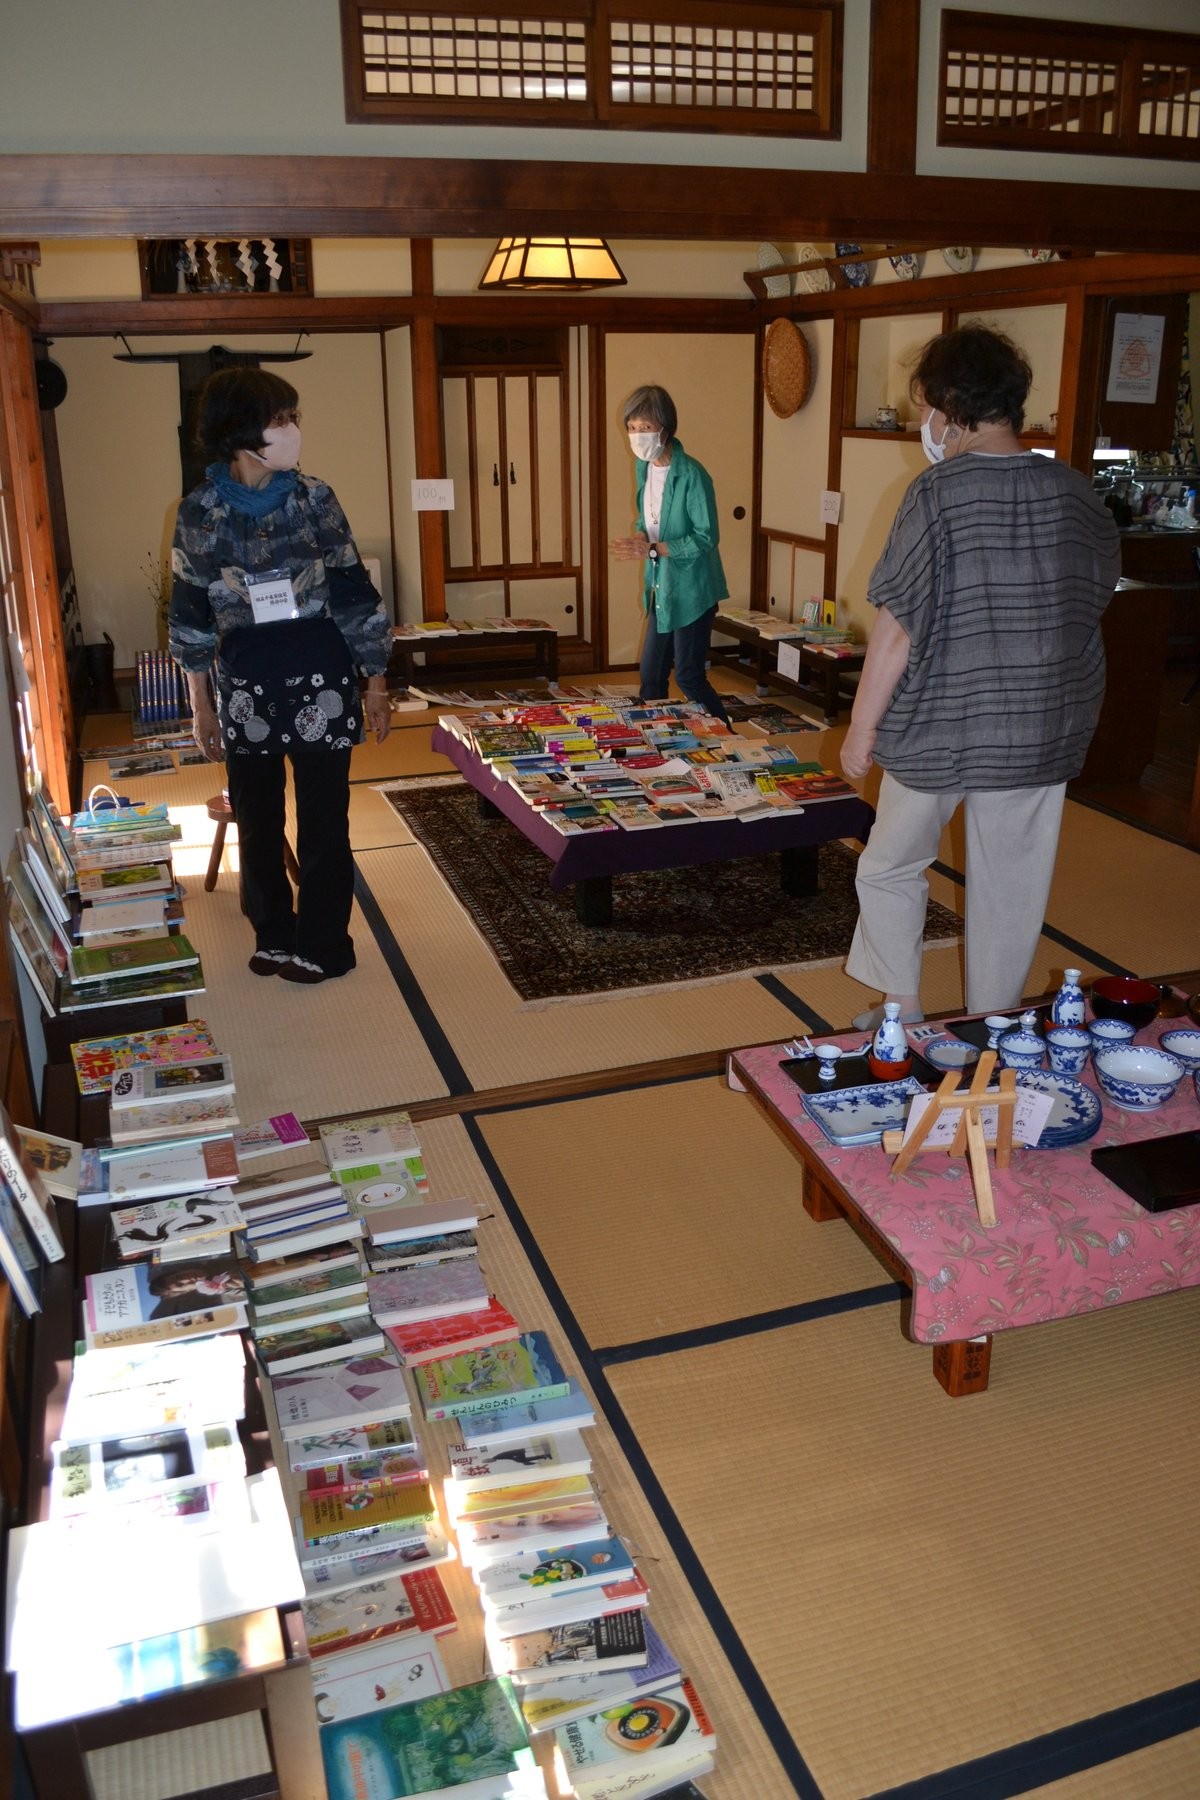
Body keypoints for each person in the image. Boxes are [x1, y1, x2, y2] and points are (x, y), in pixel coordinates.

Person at [839, 325, 1120, 1026]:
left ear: (952, 408)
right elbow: (1093, 598)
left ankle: (901, 1010)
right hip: (1039, 724)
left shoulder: (936, 494)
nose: (926, 423)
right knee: (1012, 882)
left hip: (939, 724)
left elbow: (897, 627)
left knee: (890, 863)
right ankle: (994, 1024)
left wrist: (861, 729)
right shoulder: (1076, 494)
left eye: (928, 406)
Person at [169, 368, 392, 984]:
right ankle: (272, 932)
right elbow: (189, 614)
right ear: (240, 429)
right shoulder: (200, 511)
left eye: (294, 418)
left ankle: (324, 942)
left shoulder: (315, 499)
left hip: (321, 674)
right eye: (279, 419)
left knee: (325, 820)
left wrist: (375, 681)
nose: (292, 430)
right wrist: (201, 704)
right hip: (245, 683)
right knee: (256, 818)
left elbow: (354, 592)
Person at [611, 385, 731, 725]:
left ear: (665, 428)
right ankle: (657, 739)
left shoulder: (693, 474)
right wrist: (640, 538)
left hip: (693, 589)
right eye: (632, 427)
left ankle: (729, 737)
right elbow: (647, 519)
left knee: (689, 676)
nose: (637, 436)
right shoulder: (644, 468)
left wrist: (652, 549)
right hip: (662, 586)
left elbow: (706, 537)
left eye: (645, 427)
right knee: (651, 676)